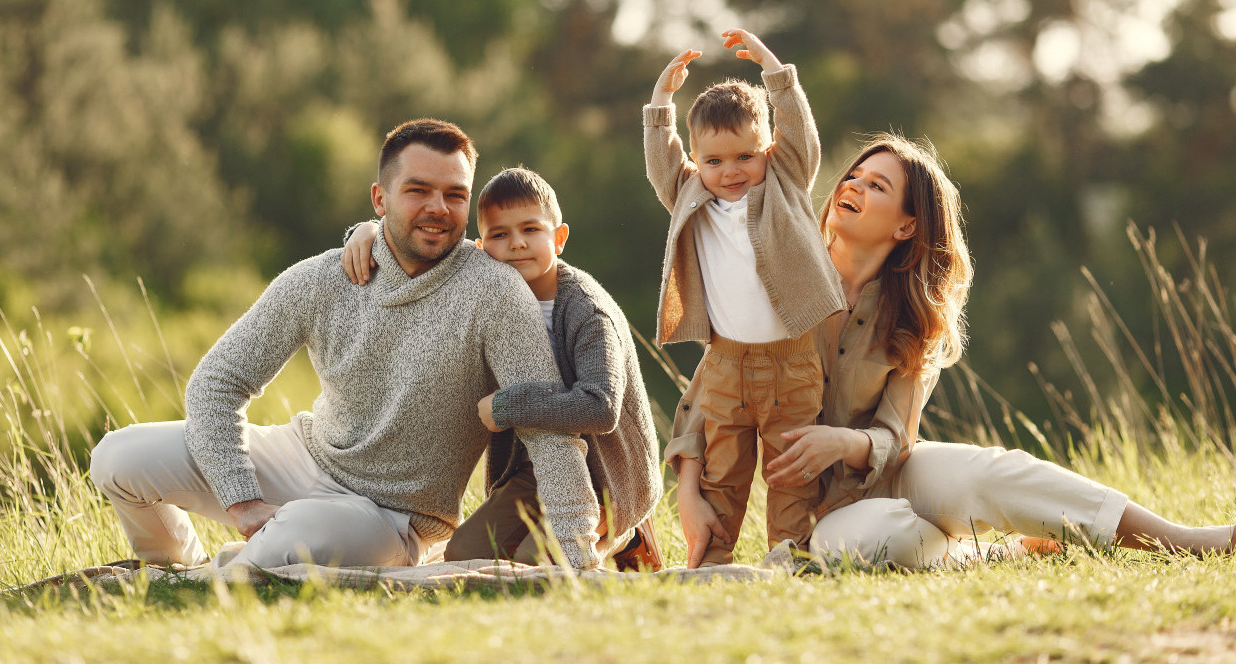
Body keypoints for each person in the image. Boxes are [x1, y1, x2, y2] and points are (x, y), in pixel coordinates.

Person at [670, 133, 1236, 569]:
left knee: (990, 472)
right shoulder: (775, 280)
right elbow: (712, 391)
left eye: (877, 187)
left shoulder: (913, 316)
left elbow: (898, 439)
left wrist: (843, 441)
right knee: (866, 541)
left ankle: (1180, 539)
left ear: (906, 226)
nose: (853, 187)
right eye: (855, 176)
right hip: (817, 514)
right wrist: (691, 494)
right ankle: (994, 554)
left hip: (888, 472)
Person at [89, 119, 605, 571]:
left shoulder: (496, 291)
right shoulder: (320, 278)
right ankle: (174, 572)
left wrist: (580, 558)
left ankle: (226, 576)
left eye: (454, 194)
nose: (438, 208)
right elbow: (217, 382)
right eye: (417, 190)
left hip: (389, 518)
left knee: (293, 537)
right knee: (117, 457)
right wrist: (242, 500)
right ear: (379, 199)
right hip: (303, 458)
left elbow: (549, 431)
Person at [343, 166, 665, 570]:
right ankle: (566, 530)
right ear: (481, 250)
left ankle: (625, 536)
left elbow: (600, 407)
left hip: (605, 476)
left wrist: (508, 407)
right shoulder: (489, 297)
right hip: (533, 469)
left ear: (559, 238)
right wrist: (369, 231)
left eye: (531, 230)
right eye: (499, 235)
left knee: (541, 563)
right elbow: (425, 249)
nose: (516, 244)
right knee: (464, 554)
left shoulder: (586, 311)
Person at [643, 29, 846, 565]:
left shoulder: (785, 179)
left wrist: (774, 71)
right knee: (723, 470)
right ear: (696, 160)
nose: (730, 172)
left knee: (791, 468)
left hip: (793, 360)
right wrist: (661, 102)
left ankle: (789, 551)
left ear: (769, 151)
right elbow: (662, 162)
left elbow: (801, 134)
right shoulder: (690, 194)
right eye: (714, 162)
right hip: (727, 363)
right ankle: (715, 559)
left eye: (744, 156)